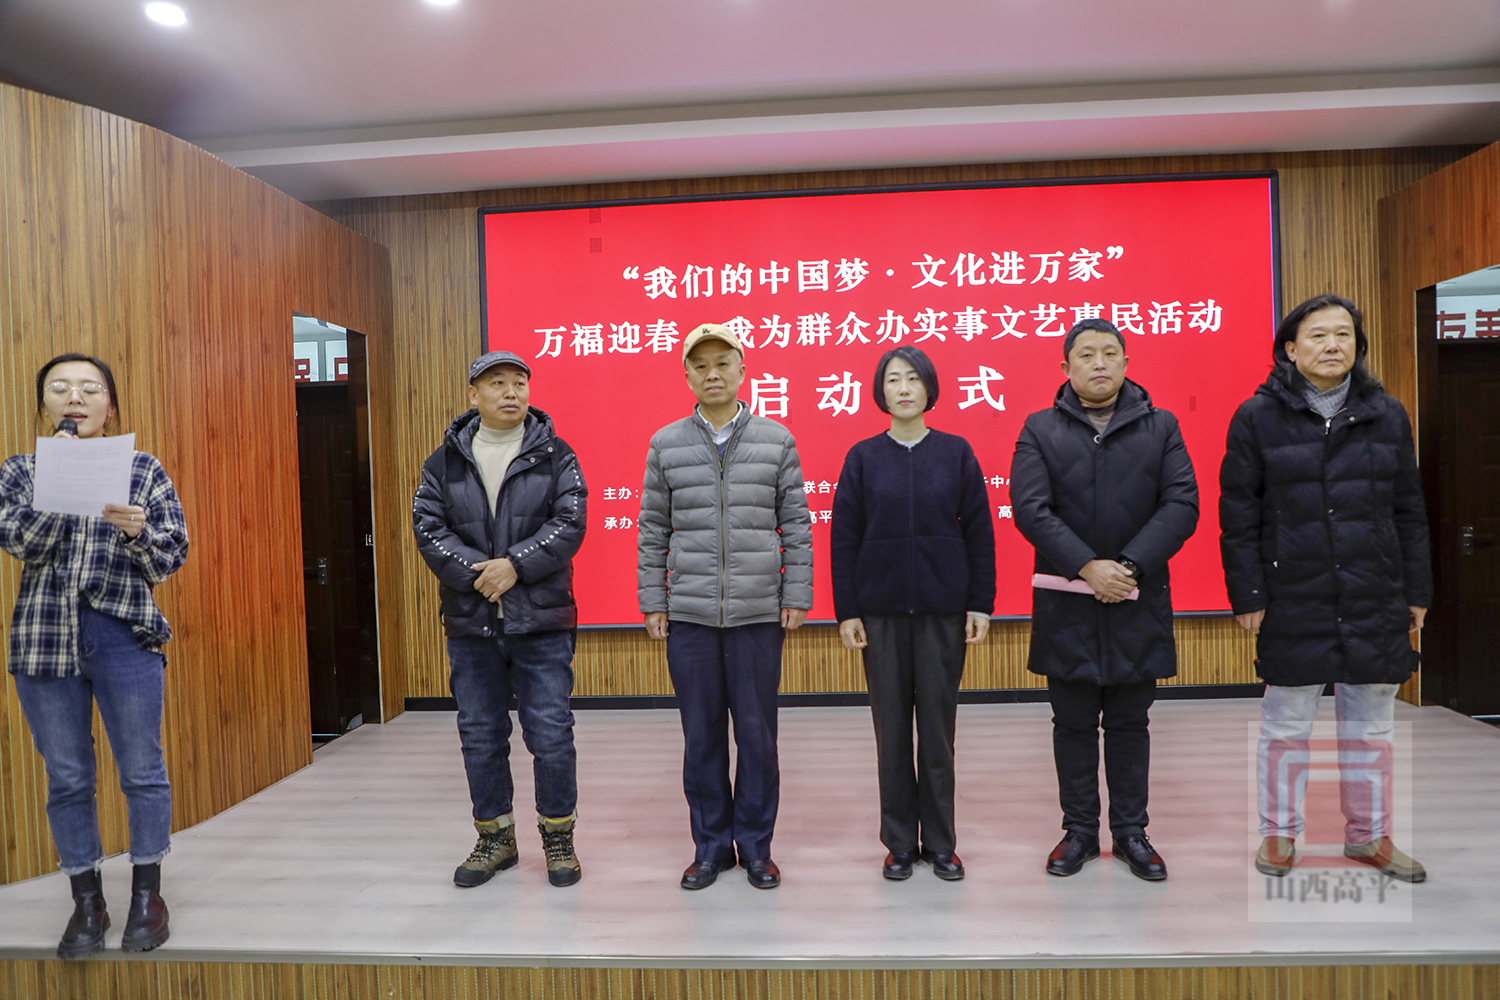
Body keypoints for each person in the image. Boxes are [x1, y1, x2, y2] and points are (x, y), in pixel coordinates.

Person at [1220, 294, 1431, 883]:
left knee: (1371, 724)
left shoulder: (1387, 414)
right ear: (1290, 349)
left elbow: (1409, 509)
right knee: (1286, 722)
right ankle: (1279, 834)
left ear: (1358, 347)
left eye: (1344, 335)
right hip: (1293, 592)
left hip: (1375, 591)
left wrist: (1417, 590)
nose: (1332, 345)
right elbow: (1239, 515)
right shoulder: (1256, 417)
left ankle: (1369, 836)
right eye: (1318, 335)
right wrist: (1248, 594)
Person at [1, 354, 189, 958]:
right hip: (44, 639)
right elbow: (19, 540)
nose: (74, 398)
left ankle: (147, 896)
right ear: (44, 405)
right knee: (67, 777)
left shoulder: (142, 469)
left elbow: (170, 557)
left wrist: (138, 533)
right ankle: (87, 901)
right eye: (60, 388)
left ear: (110, 405)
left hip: (123, 635)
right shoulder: (20, 471)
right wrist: (59, 488)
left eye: (90, 388)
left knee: (142, 770)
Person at [1010, 319, 1199, 882]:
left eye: (1110, 353)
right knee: (1071, 723)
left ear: (1125, 363)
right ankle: (1079, 832)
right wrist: (1088, 567)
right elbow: (1031, 509)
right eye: (1086, 355)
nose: (1099, 363)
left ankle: (1132, 832)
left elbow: (1181, 504)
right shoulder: (1040, 428)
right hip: (1068, 601)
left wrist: (1129, 567)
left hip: (1136, 598)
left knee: (1129, 723)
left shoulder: (1161, 426)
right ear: (1065, 367)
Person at [638, 322, 813, 890]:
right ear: (687, 375)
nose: (712, 374)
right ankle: (711, 848)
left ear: (742, 370)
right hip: (690, 616)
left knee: (758, 739)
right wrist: (654, 599)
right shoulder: (666, 444)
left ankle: (757, 848)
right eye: (700, 365)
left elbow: (796, 524)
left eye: (722, 363)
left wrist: (796, 593)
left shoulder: (776, 440)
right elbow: (652, 529)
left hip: (757, 614)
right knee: (702, 738)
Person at [412, 350, 588, 889]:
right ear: (474, 394)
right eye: (497, 383)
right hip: (472, 623)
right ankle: (496, 838)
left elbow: (571, 520)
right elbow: (428, 528)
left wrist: (514, 565)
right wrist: (481, 574)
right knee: (480, 735)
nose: (511, 392)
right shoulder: (444, 462)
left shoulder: (556, 454)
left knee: (550, 735)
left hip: (542, 623)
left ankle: (558, 837)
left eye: (519, 383)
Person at [830, 347, 995, 882]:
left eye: (912, 379)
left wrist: (980, 602)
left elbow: (979, 531)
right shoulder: (862, 457)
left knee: (938, 735)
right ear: (880, 392)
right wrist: (848, 611)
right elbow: (844, 537)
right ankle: (900, 843)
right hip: (879, 615)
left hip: (942, 612)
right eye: (892, 380)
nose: (903, 388)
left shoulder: (955, 452)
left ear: (929, 388)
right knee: (893, 734)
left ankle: (942, 844)